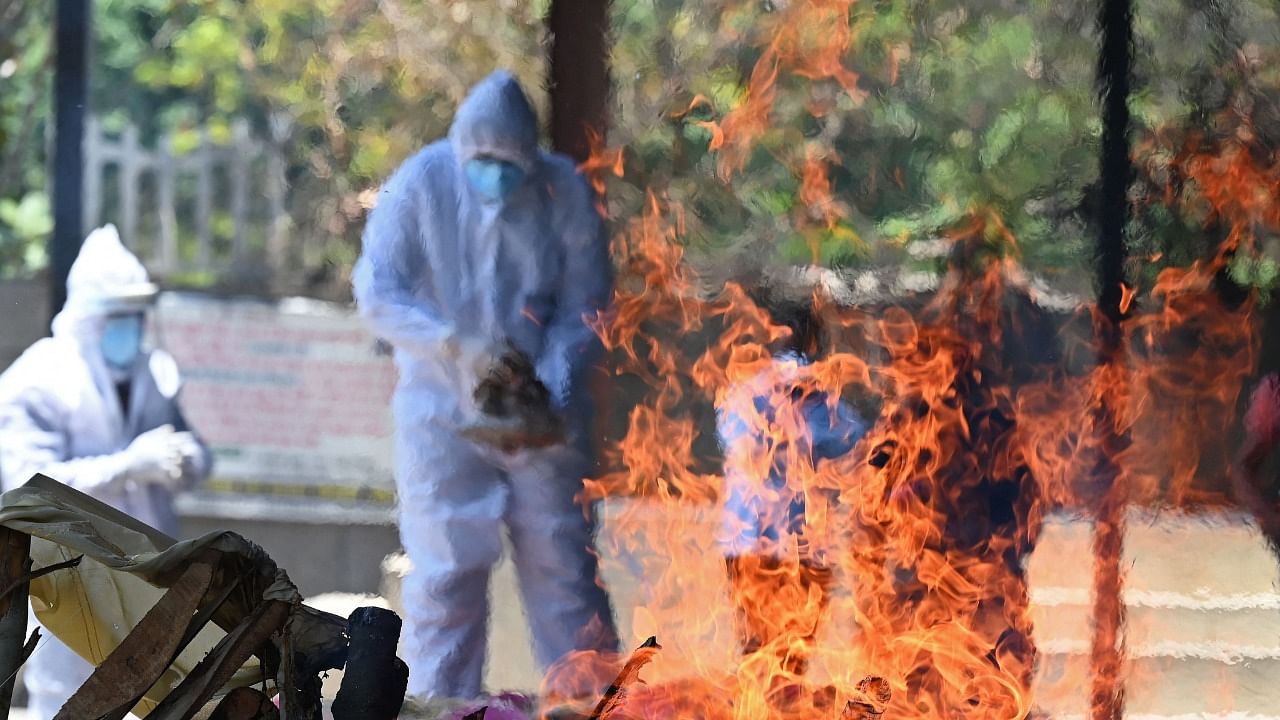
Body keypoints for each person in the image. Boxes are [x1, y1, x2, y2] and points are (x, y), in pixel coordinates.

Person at [353, 69, 618, 700]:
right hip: (441, 411)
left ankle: (591, 708)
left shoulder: (565, 192)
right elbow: (376, 290)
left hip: (543, 418)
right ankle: (439, 710)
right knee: (446, 577)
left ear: (532, 157)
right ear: (460, 148)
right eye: (483, 161)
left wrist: (543, 383)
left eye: (510, 163)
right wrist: (453, 344)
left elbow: (589, 303)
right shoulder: (422, 182)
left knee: (565, 573)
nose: (495, 174)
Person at [0, 224, 211, 719]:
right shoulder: (37, 380)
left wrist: (186, 462)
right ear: (89, 317)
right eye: (119, 316)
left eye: (136, 316)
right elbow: (26, 486)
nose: (130, 329)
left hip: (154, 571)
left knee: (161, 696)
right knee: (71, 701)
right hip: (69, 576)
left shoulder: (155, 372)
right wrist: (126, 467)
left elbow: (195, 452)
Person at [716, 292, 868, 698]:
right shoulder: (819, 393)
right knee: (790, 668)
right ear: (815, 338)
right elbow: (855, 443)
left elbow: (729, 437)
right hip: (801, 548)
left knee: (755, 658)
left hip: (743, 544)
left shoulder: (740, 392)